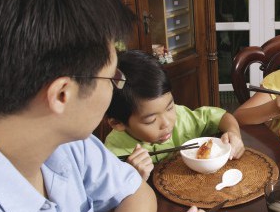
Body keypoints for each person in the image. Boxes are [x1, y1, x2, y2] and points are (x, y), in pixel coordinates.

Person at [0, 0, 212, 212]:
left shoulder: (70, 144)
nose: (116, 86)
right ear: (63, 94)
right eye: (112, 77)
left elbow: (135, 193)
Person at [104, 50, 245, 180]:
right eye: (151, 120)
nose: (167, 123)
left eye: (170, 107)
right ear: (118, 123)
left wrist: (234, 133)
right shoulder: (112, 155)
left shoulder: (181, 118)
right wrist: (131, 180)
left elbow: (221, 117)